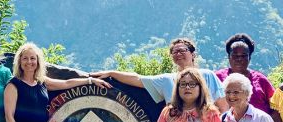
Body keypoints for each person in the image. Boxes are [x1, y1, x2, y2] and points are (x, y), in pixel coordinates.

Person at [91, 38, 228, 112]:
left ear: (193, 54)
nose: (178, 54)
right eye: (174, 52)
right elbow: (137, 79)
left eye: (182, 50)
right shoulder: (167, 80)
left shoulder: (208, 76)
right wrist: (111, 73)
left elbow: (223, 107)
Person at [215, 33, 275, 114]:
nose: (239, 59)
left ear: (249, 57)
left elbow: (276, 107)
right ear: (229, 57)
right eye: (235, 55)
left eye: (243, 56)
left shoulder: (261, 80)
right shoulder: (217, 78)